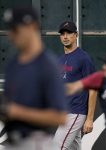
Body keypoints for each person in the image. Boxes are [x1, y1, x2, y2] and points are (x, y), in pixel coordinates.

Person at [2, 7, 67, 150]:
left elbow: (60, 117)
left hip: (37, 142)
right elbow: (8, 108)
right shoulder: (13, 65)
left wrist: (17, 112)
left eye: (15, 29)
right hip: (13, 141)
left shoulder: (48, 65)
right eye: (10, 30)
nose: (11, 35)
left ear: (32, 26)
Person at [53, 21, 97, 150]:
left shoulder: (84, 58)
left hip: (76, 112)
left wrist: (89, 119)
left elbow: (93, 89)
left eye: (69, 33)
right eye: (62, 34)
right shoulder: (60, 59)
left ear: (76, 35)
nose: (65, 36)